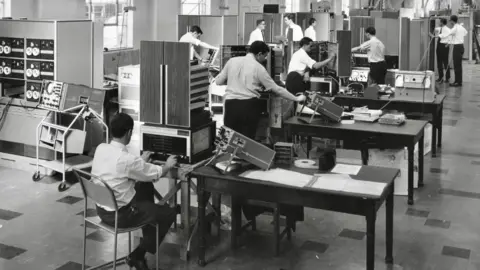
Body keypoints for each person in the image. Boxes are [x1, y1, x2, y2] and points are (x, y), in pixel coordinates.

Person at [91, 113, 177, 270]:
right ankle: (137, 255)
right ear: (129, 132)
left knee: (146, 186)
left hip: (102, 209)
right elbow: (157, 172)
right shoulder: (127, 160)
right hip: (121, 215)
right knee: (168, 213)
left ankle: (149, 219)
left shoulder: (101, 148)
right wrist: (168, 165)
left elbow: (119, 172)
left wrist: (140, 163)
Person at [215, 41, 306, 139]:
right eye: (265, 56)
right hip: (248, 107)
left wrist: (235, 80)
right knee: (246, 141)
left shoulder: (231, 61)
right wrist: (296, 99)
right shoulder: (258, 68)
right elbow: (277, 89)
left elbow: (218, 81)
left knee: (229, 140)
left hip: (230, 106)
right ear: (259, 54)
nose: (265, 59)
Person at [438, 15, 467, 87]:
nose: (450, 22)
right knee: (459, 65)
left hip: (457, 47)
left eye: (450, 21)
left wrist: (437, 36)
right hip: (461, 46)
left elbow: (447, 34)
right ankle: (458, 81)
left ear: (452, 21)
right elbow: (465, 33)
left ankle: (457, 82)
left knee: (456, 65)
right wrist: (455, 38)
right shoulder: (461, 27)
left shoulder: (455, 28)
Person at [430, 18, 451, 83]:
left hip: (444, 46)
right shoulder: (441, 28)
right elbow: (437, 29)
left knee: (445, 62)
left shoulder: (447, 30)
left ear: (442, 22)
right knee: (439, 62)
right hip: (439, 46)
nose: (439, 23)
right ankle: (440, 77)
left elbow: (442, 36)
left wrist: (433, 36)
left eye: (440, 22)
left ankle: (447, 78)